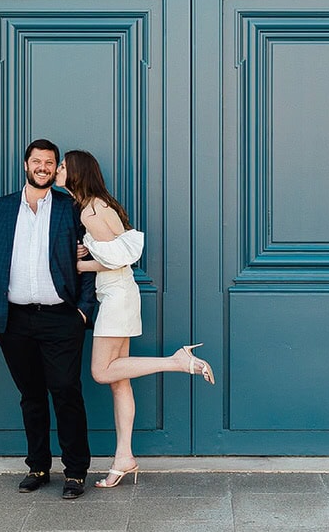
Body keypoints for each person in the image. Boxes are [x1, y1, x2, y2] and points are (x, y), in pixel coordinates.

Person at [56, 150, 215, 488]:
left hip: (115, 297)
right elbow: (118, 255)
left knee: (101, 372)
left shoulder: (91, 210)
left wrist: (77, 262)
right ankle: (124, 457)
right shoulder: (99, 204)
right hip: (121, 294)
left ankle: (176, 361)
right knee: (118, 379)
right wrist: (87, 256)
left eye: (63, 166)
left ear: (76, 173)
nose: (57, 170)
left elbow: (116, 260)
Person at [0, 138, 96, 500]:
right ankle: (38, 466)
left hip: (62, 317)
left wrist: (83, 310)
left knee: (66, 392)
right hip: (13, 319)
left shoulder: (70, 208)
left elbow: (91, 261)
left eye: (50, 162)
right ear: (26, 164)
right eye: (37, 161)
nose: (43, 167)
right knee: (30, 394)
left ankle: (75, 472)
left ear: (56, 167)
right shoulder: (0, 209)